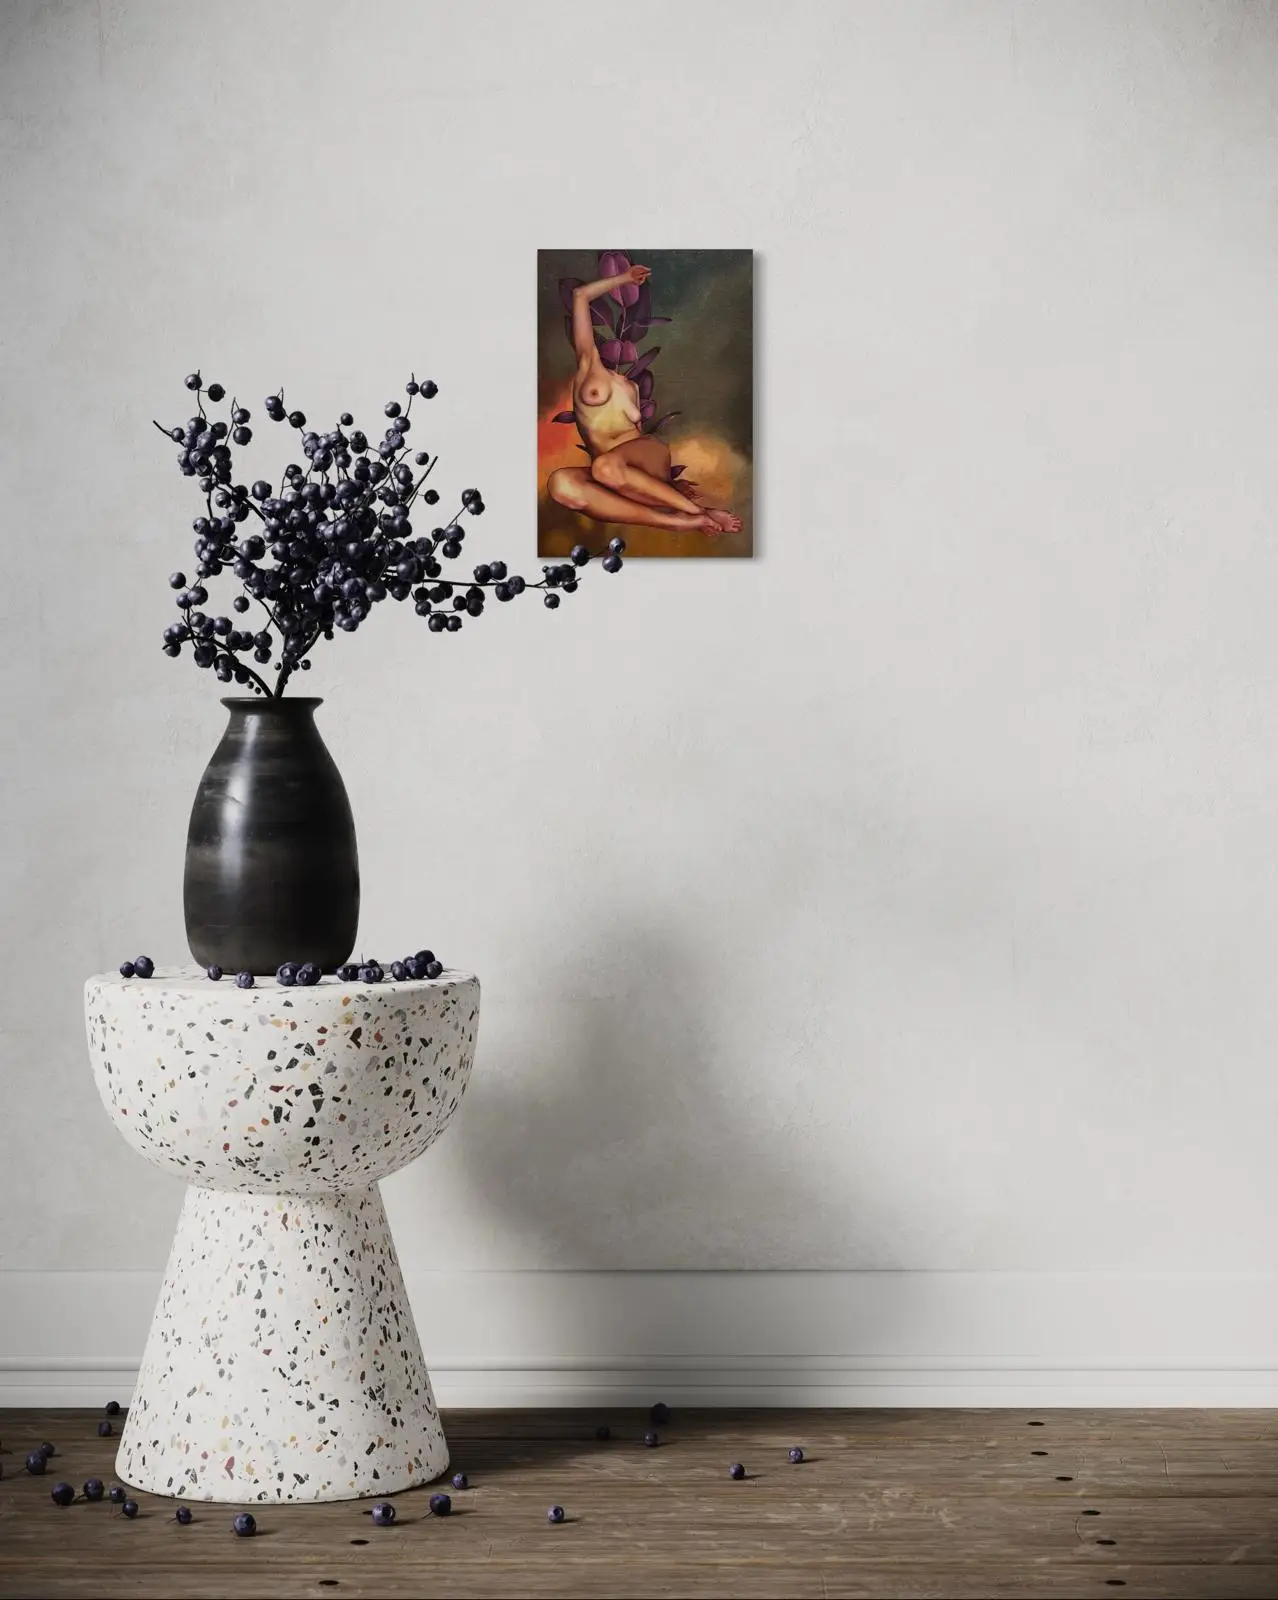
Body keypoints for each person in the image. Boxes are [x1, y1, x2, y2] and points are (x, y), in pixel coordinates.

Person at [546, 264, 743, 537]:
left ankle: (697, 513)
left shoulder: (627, 384)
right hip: (613, 475)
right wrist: (623, 278)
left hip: (644, 456)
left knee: (605, 467)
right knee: (560, 484)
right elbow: (580, 296)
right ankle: (677, 522)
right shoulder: (588, 368)